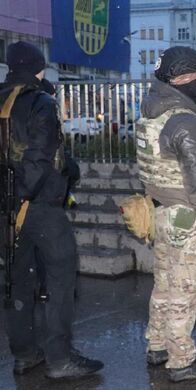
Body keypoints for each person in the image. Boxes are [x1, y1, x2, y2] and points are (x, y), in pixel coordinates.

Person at [0, 41, 103, 379]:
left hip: (6, 208)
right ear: (38, 68)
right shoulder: (40, 102)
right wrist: (24, 197)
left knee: (18, 281)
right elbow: (40, 156)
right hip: (38, 205)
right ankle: (60, 359)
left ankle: (25, 354)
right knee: (60, 278)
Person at [138, 46, 196, 382]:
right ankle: (181, 361)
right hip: (187, 218)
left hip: (161, 211)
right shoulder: (185, 122)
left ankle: (157, 345)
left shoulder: (151, 113)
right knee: (185, 290)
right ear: (187, 78)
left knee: (163, 283)